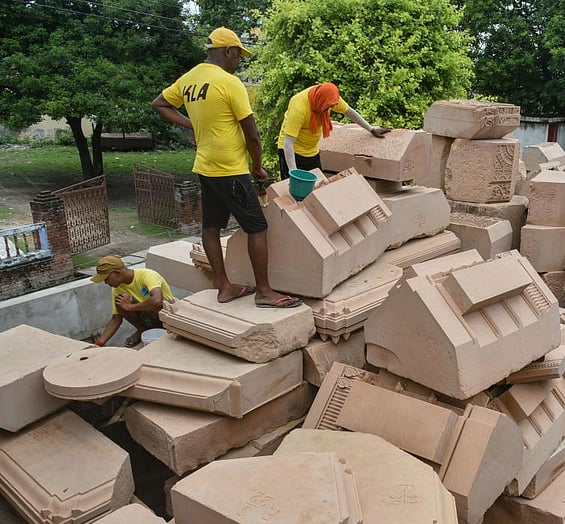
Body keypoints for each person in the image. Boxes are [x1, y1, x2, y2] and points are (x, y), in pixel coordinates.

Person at [151, 27, 301, 308]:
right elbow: (252, 135)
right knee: (257, 227)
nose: (238, 62)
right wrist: (258, 167)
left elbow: (159, 104)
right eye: (238, 56)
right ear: (228, 51)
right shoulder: (229, 83)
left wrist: (192, 124)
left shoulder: (190, 79)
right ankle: (265, 292)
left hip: (205, 167)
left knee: (211, 227)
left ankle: (224, 288)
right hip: (229, 169)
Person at [277, 82, 391, 179]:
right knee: (293, 192)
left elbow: (349, 112)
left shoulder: (330, 98)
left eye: (330, 107)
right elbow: (288, 142)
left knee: (317, 187)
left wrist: (371, 129)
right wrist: (293, 172)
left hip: (311, 150)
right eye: (327, 107)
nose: (329, 110)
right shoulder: (299, 107)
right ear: (319, 101)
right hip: (292, 151)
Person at [91, 255, 175, 348]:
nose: (106, 282)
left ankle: (169, 331)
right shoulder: (118, 289)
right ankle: (142, 330)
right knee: (120, 300)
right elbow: (116, 319)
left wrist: (130, 307)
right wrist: (99, 343)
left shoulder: (147, 275)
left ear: (117, 272)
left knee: (156, 304)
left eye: (106, 279)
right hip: (148, 317)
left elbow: (157, 301)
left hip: (168, 315)